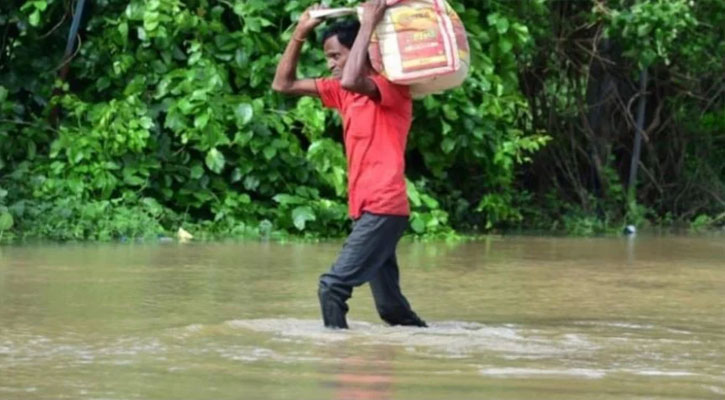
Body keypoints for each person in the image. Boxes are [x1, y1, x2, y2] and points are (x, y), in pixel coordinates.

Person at [272, 0, 427, 329]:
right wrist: (300, 33)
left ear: (358, 50)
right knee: (391, 310)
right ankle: (431, 352)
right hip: (367, 210)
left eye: (335, 56)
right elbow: (282, 85)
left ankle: (336, 356)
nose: (330, 65)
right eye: (328, 57)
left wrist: (368, 24)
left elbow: (354, 79)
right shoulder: (344, 94)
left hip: (383, 207)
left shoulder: (391, 89)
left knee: (332, 287)